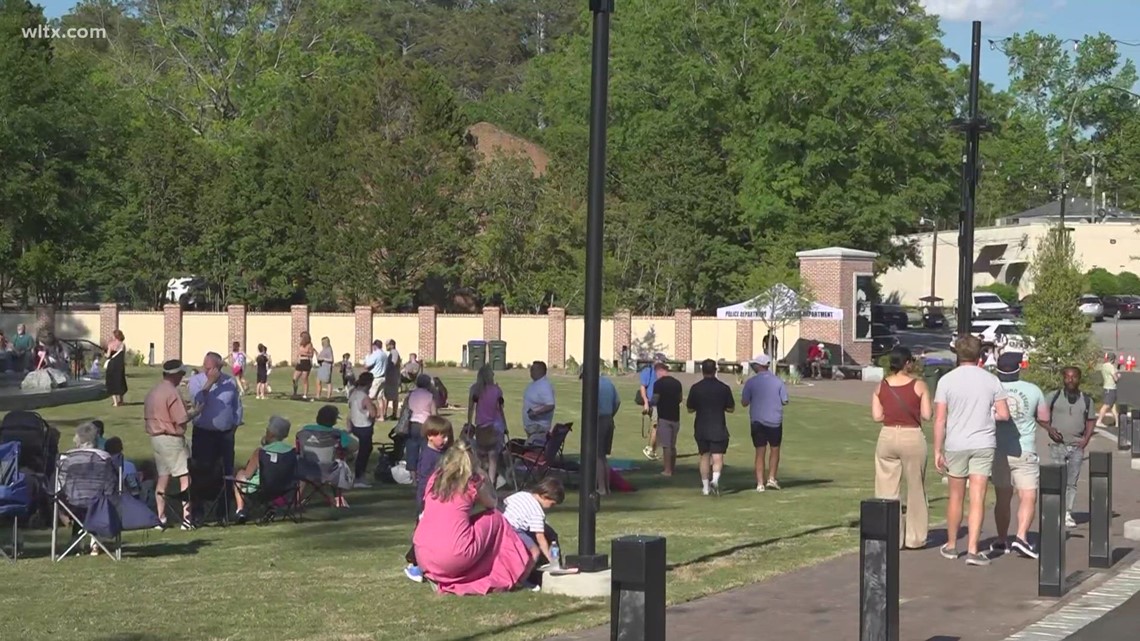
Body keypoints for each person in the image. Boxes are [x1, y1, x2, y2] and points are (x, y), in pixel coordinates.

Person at [411, 440, 534, 594]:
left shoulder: (435, 479)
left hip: (423, 554)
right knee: (495, 518)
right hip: (452, 556)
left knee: (463, 525)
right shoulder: (472, 482)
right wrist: (482, 474)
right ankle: (508, 569)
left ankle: (441, 575)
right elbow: (492, 503)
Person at [934, 334, 1010, 566]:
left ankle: (951, 545)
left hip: (957, 443)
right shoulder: (991, 380)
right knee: (978, 497)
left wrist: (938, 449)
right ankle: (973, 549)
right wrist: (989, 415)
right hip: (983, 442)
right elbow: (1004, 414)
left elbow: (940, 419)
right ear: (980, 355)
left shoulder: (946, 381)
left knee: (956, 496)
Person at [870, 346, 932, 550]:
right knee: (916, 487)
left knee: (886, 488)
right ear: (907, 363)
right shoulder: (919, 385)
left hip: (887, 435)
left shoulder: (882, 386)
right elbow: (927, 415)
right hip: (911, 434)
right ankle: (915, 537)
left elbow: (877, 416)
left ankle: (891, 534)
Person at [991, 352, 1049, 558]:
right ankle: (1021, 536)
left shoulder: (991, 389)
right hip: (1024, 448)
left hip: (998, 450)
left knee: (1002, 497)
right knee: (1028, 495)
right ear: (1019, 368)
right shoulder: (1033, 390)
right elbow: (1044, 417)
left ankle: (1001, 538)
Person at [144, 359, 193, 530]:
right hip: (172, 439)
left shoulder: (153, 391)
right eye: (181, 374)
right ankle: (187, 518)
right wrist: (197, 411)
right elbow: (181, 419)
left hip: (156, 438)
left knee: (163, 478)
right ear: (175, 375)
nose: (182, 377)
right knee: (185, 476)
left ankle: (161, 517)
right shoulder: (172, 392)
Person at [405, 415, 455, 582]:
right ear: (430, 436)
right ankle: (415, 563)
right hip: (427, 499)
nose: (446, 440)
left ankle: (428, 562)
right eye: (443, 436)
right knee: (422, 531)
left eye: (448, 436)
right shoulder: (429, 456)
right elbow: (425, 481)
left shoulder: (441, 452)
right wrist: (425, 502)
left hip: (438, 498)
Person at [1047, 366, 1097, 528]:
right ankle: (1055, 511)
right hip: (1057, 445)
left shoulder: (1087, 400)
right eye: (1067, 377)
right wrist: (1049, 429)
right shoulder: (1053, 397)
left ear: (1079, 379)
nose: (1070, 380)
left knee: (1072, 482)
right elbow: (1040, 414)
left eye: (1074, 377)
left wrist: (1086, 439)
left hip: (1077, 446)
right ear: (1063, 378)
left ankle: (1067, 512)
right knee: (1057, 480)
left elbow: (1091, 421)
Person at [187, 352, 245, 493]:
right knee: (202, 469)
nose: (207, 371)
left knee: (226, 469)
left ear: (218, 368)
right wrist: (210, 383)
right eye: (205, 368)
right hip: (204, 433)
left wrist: (234, 426)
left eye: (210, 368)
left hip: (225, 434)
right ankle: (200, 504)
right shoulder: (196, 381)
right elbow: (198, 400)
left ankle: (223, 505)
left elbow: (236, 406)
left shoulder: (230, 382)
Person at [741, 354, 789, 491]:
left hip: (757, 420)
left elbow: (744, 402)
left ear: (759, 366)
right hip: (774, 420)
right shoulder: (778, 381)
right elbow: (785, 400)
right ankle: (772, 478)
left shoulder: (751, 382)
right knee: (775, 449)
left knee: (760, 451)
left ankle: (760, 483)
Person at [687, 358, 735, 495]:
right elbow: (731, 408)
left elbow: (690, 409)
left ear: (702, 371)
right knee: (718, 457)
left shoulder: (696, 388)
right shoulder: (724, 388)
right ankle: (715, 479)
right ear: (715, 370)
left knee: (704, 456)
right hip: (718, 426)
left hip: (701, 426)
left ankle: (705, 487)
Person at [232, 416, 294, 522]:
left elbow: (248, 475)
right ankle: (274, 506)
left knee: (240, 475)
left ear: (271, 433)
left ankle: (240, 510)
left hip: (262, 489)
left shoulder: (260, 452)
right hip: (285, 489)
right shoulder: (291, 452)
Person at [503, 477, 565, 568]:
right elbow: (540, 537)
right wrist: (550, 558)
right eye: (552, 504)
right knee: (535, 552)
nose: (552, 507)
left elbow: (506, 502)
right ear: (545, 496)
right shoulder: (537, 512)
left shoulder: (522, 494)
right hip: (514, 530)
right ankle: (523, 579)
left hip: (502, 523)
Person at [467, 365, 507, 486]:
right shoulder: (496, 390)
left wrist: (469, 423)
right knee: (493, 456)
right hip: (495, 426)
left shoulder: (475, 389)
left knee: (481, 454)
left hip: (482, 426)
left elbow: (470, 408)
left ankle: (482, 480)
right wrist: (505, 426)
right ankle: (492, 481)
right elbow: (500, 409)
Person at [590, 371, 622, 493]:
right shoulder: (608, 382)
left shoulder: (593, 385)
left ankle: (602, 488)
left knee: (597, 456)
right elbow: (617, 401)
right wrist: (611, 414)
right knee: (603, 456)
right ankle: (607, 487)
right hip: (609, 419)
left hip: (599, 420)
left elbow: (592, 404)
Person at [405, 374, 438, 482]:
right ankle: (424, 475)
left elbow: (405, 409)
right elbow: (434, 413)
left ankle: (413, 478)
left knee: (412, 451)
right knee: (425, 450)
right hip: (425, 424)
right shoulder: (429, 396)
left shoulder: (411, 395)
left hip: (412, 423)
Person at [347, 372, 378, 489]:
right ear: (369, 384)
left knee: (361, 451)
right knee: (364, 453)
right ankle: (360, 478)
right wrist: (374, 408)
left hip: (355, 426)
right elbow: (373, 413)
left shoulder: (353, 394)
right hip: (365, 427)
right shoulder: (365, 398)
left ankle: (358, 475)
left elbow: (350, 412)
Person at [652, 363, 683, 477]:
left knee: (666, 445)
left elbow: (655, 399)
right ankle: (672, 468)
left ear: (659, 371)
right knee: (673, 445)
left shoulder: (658, 384)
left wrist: (649, 403)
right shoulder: (677, 383)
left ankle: (667, 470)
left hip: (664, 417)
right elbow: (680, 398)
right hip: (676, 417)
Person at [638, 353, 667, 460]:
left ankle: (653, 449)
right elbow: (643, 387)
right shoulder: (648, 371)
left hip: (662, 403)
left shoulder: (662, 373)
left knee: (657, 426)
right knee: (656, 425)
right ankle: (650, 448)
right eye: (663, 361)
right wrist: (645, 402)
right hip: (653, 403)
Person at [522, 361, 555, 445]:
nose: (531, 371)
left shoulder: (544, 386)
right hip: (532, 427)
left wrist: (536, 413)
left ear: (540, 371)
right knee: (531, 449)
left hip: (539, 427)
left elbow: (550, 405)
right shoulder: (535, 383)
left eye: (533, 369)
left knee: (532, 449)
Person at [364, 340, 388, 415]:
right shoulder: (384, 354)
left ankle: (370, 413)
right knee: (380, 398)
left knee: (369, 397)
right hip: (383, 377)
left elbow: (367, 365)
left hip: (376, 378)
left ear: (374, 346)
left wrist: (367, 358)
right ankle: (382, 416)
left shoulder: (376, 354)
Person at [104, 329, 128, 407]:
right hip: (120, 365)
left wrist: (105, 354)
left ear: (115, 336)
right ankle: (121, 400)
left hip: (112, 365)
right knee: (120, 381)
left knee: (112, 382)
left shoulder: (111, 344)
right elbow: (122, 355)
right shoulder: (123, 345)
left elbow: (108, 355)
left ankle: (115, 402)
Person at [1097, 353, 1119, 427]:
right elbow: (1115, 378)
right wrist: (1118, 376)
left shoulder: (1104, 366)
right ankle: (1099, 421)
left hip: (1107, 387)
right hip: (1111, 388)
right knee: (1106, 405)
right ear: (1113, 359)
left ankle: (1117, 422)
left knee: (1112, 405)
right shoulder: (1111, 367)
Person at [292, 331, 316, 399]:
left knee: (304, 379)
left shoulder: (309, 345)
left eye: (301, 337)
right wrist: (298, 358)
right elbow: (298, 353)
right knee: (294, 378)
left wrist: (304, 354)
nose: (300, 338)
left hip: (306, 361)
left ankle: (305, 394)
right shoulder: (301, 344)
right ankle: (295, 392)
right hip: (300, 362)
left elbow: (311, 355)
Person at [383, 339, 403, 420]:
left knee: (390, 396)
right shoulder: (391, 353)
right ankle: (388, 413)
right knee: (389, 396)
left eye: (387, 345)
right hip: (391, 377)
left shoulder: (394, 353)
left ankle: (390, 414)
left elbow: (393, 363)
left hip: (392, 377)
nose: (386, 347)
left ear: (391, 345)